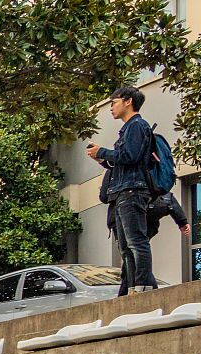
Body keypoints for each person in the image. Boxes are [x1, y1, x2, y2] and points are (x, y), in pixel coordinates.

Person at [87, 86, 156, 293]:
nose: (111, 107)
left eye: (114, 102)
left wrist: (103, 151)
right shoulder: (128, 128)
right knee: (125, 247)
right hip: (122, 191)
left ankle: (143, 286)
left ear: (128, 101)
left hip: (132, 190)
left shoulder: (137, 125)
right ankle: (134, 286)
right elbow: (122, 161)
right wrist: (102, 158)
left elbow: (130, 156)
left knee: (136, 241)